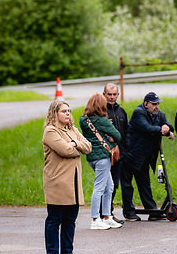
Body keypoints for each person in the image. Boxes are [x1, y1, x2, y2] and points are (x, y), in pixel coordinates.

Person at [42, 100, 92, 253]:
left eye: (69, 111)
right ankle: (52, 252)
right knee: (54, 220)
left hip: (73, 184)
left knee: (70, 221)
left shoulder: (72, 129)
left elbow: (88, 147)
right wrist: (76, 146)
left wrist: (74, 143)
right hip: (58, 183)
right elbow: (65, 150)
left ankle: (67, 251)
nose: (68, 114)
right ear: (54, 113)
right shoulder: (50, 131)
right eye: (64, 111)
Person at [122, 92, 175, 221]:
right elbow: (146, 128)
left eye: (158, 103)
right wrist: (162, 130)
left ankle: (152, 211)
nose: (156, 106)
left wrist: (166, 127)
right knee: (127, 185)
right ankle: (129, 212)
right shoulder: (138, 112)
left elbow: (169, 126)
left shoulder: (159, 114)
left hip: (145, 157)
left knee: (144, 182)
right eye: (154, 104)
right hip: (131, 155)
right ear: (146, 104)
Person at [79, 94, 122, 230]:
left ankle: (107, 216)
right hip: (103, 157)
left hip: (91, 157)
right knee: (99, 188)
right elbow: (118, 135)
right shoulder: (102, 120)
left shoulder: (83, 120)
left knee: (109, 186)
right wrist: (110, 140)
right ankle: (95, 219)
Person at [101, 83, 130, 224]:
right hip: (105, 156)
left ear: (118, 95)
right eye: (109, 94)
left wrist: (126, 149)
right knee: (105, 186)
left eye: (114, 94)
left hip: (120, 156)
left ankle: (109, 214)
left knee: (114, 185)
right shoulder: (100, 112)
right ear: (104, 94)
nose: (112, 97)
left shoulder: (121, 111)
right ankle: (103, 215)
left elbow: (127, 132)